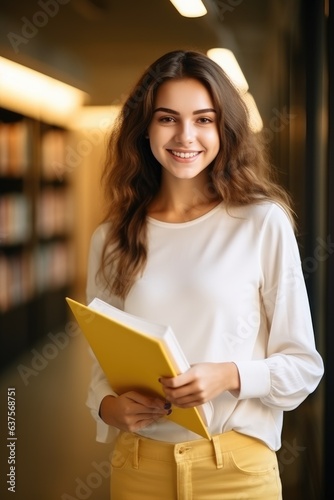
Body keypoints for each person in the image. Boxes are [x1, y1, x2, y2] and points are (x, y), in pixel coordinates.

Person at [85, 50, 324, 500]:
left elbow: (302, 368)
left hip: (236, 472)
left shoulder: (261, 222)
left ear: (224, 128)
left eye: (204, 119)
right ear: (145, 128)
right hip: (139, 470)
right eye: (167, 119)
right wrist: (108, 407)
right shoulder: (111, 237)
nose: (185, 136)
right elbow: (103, 366)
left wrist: (230, 375)